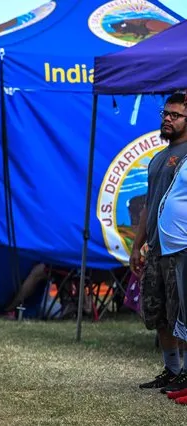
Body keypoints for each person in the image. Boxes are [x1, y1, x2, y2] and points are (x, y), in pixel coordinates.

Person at [132, 92, 187, 391]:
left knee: (182, 312)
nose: (167, 119)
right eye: (165, 113)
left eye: (175, 115)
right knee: (159, 312)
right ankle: (172, 368)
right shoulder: (158, 157)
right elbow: (148, 206)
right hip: (155, 249)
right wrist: (136, 244)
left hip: (181, 248)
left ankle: (186, 374)